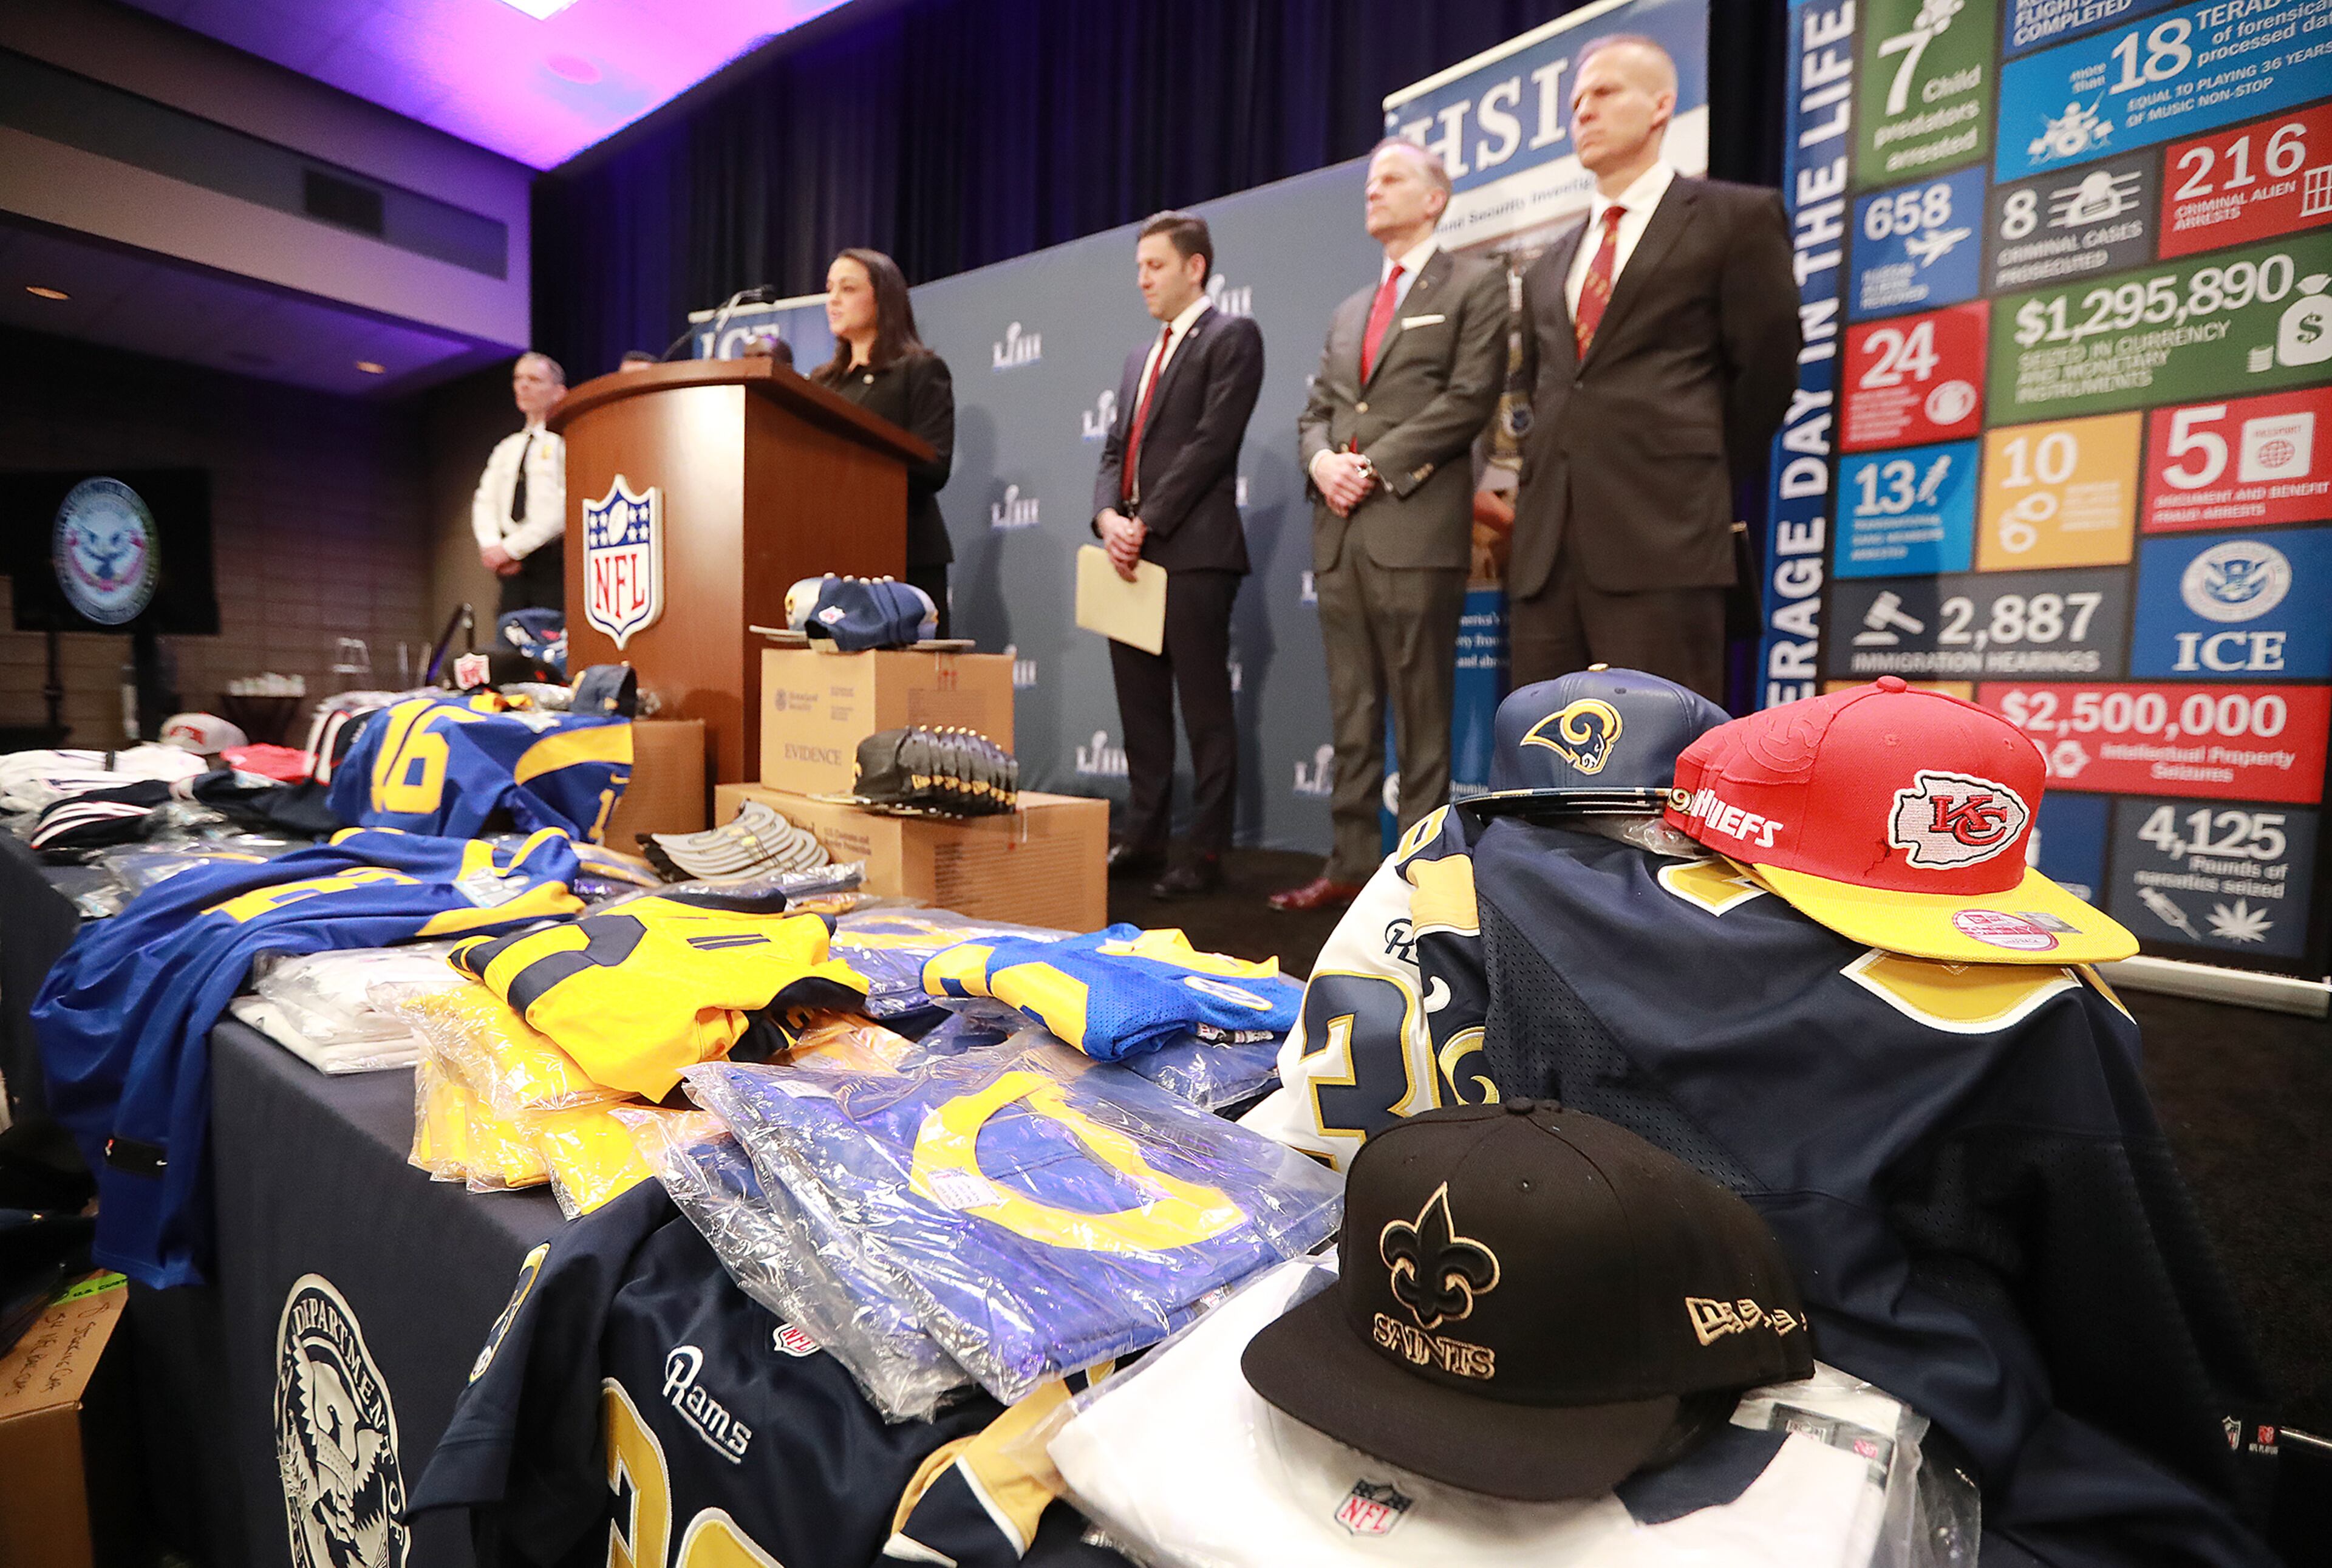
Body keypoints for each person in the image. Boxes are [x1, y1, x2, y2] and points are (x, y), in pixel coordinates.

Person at [1507, 35, 1799, 701]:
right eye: (1577, 100)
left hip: (1665, 538)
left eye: (1605, 93)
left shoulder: (1734, 218)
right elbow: (1541, 388)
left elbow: (1768, 368)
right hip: (1547, 556)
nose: (1583, 111)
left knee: (1664, 763)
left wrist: (1689, 475)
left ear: (1661, 105)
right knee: (1540, 764)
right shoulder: (1551, 262)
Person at [1272, 138, 1506, 915]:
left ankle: (1419, 879)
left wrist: (1370, 464)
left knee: (1423, 714)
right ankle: (1347, 866)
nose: (1374, 190)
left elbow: (1470, 398)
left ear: (1434, 198)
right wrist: (1320, 464)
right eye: (1370, 180)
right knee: (1351, 710)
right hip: (1340, 530)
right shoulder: (1349, 310)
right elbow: (1317, 414)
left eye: (1393, 178)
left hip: (1413, 522)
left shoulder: (1475, 283)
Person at [1092, 212, 1266, 899]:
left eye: (1156, 265)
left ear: (1196, 267)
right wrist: (1109, 515)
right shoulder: (1140, 356)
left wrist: (1149, 519)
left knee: (1204, 710)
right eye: (1138, 267)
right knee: (1140, 709)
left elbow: (1211, 444)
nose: (1143, 278)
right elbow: (1114, 449)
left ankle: (1206, 851)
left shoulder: (1232, 336)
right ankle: (1144, 835)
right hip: (1130, 554)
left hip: (1193, 553)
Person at [813, 250, 956, 635]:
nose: (833, 300)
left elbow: (934, 465)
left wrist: (856, 470)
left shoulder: (919, 371)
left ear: (883, 299)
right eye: (829, 290)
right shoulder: (820, 384)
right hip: (834, 555)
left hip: (905, 556)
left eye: (848, 289)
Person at [470, 351, 568, 614]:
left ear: (559, 392)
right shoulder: (507, 448)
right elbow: (485, 500)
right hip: (511, 568)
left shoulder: (565, 441)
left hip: (552, 562)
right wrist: (492, 546)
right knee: (509, 640)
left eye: (534, 379)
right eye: (518, 378)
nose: (523, 386)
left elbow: (563, 507)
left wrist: (513, 549)